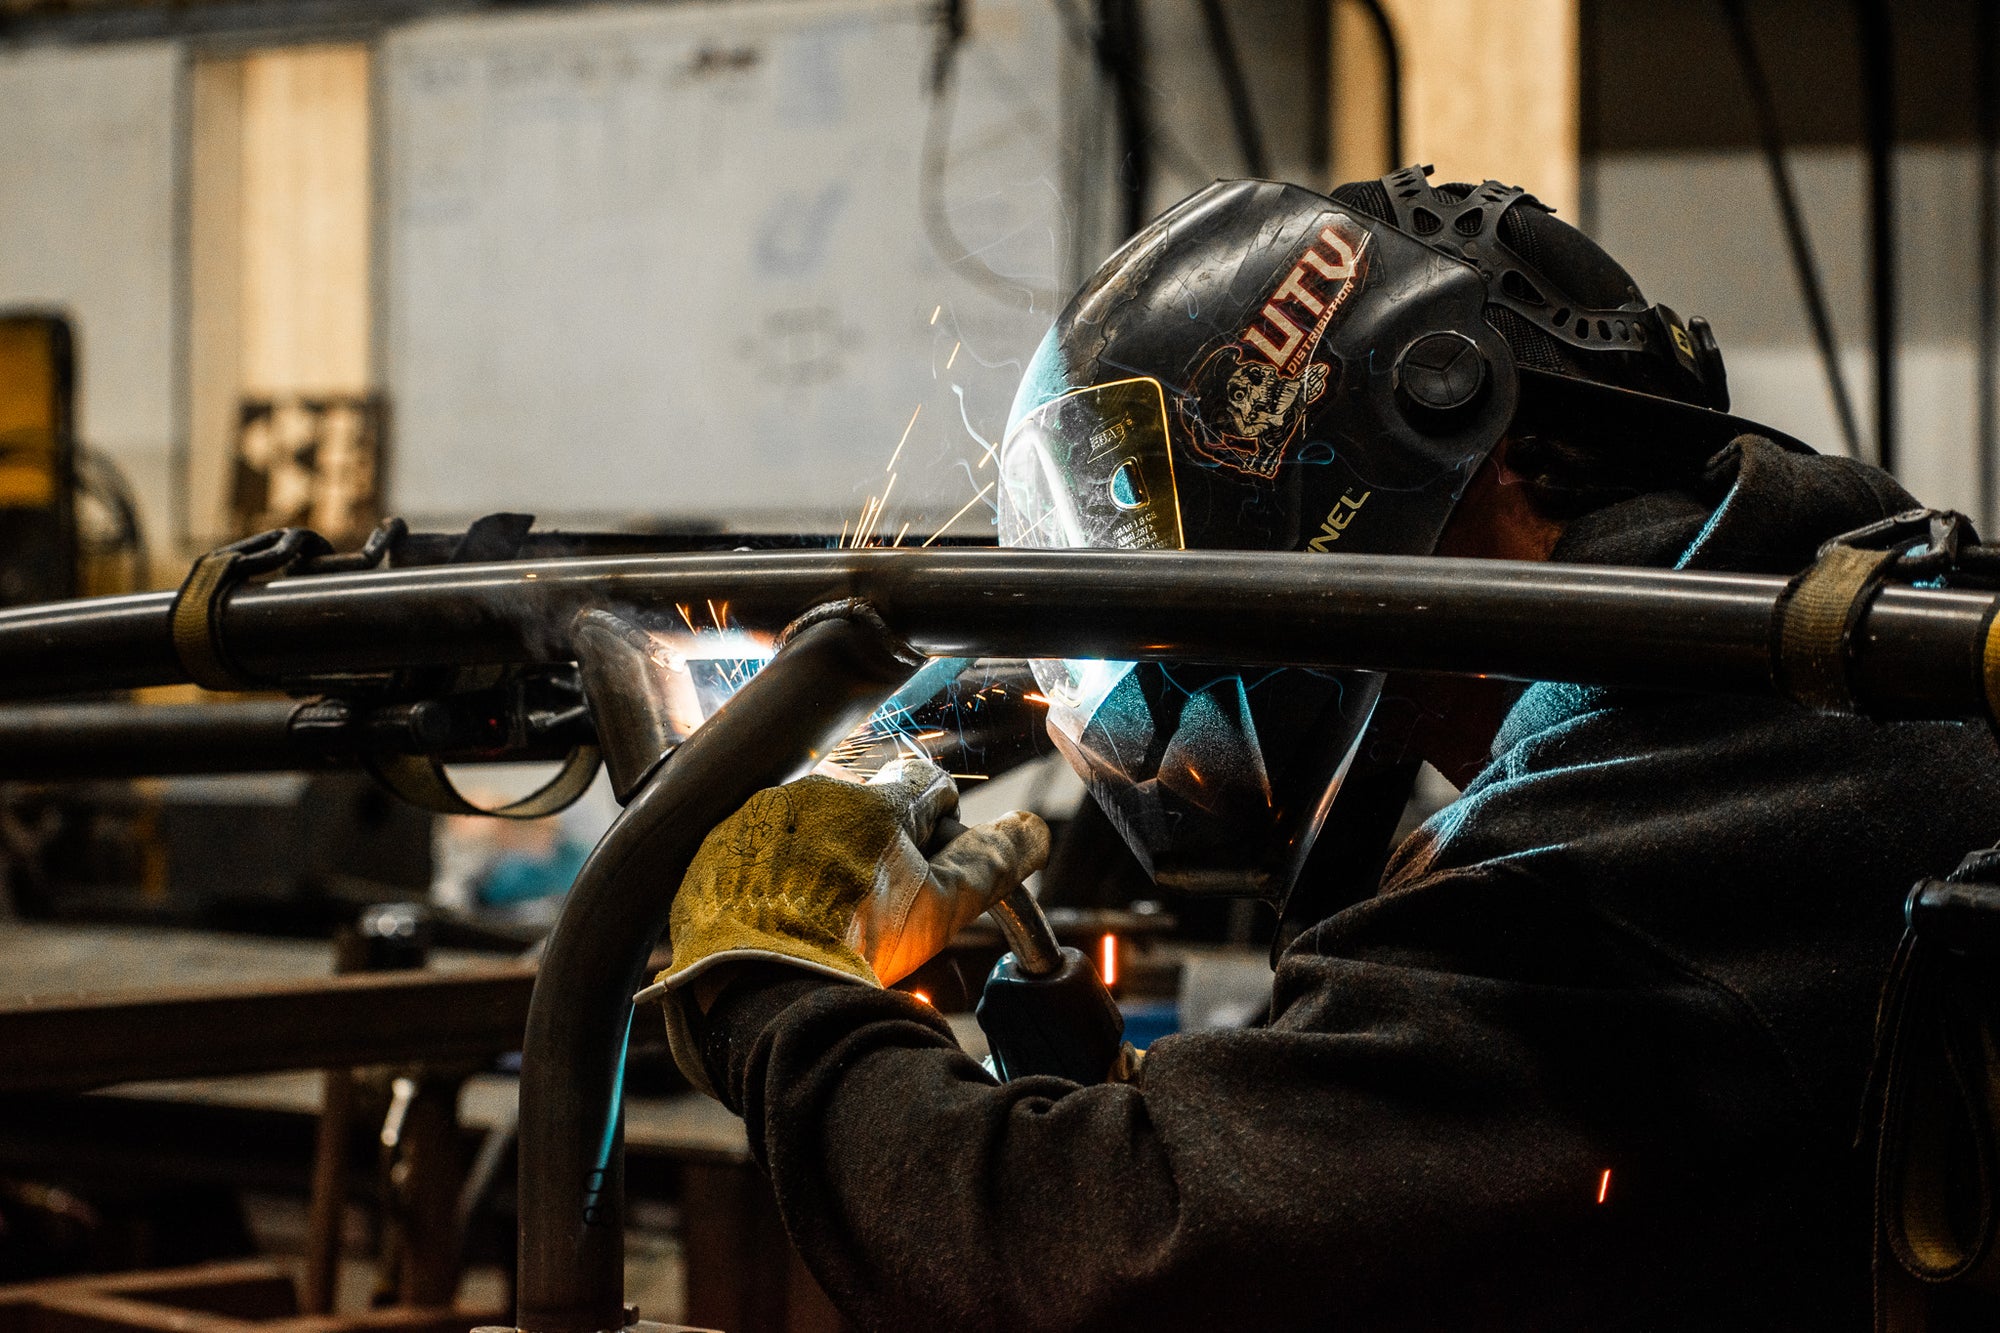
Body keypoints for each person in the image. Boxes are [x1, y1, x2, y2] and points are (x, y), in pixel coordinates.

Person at [650, 169, 2000, 1329]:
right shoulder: (1769, 684)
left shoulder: (1648, 845)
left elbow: (1101, 1261)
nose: (1193, 661)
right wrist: (1107, 1084)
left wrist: (778, 994)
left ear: (1442, 421)